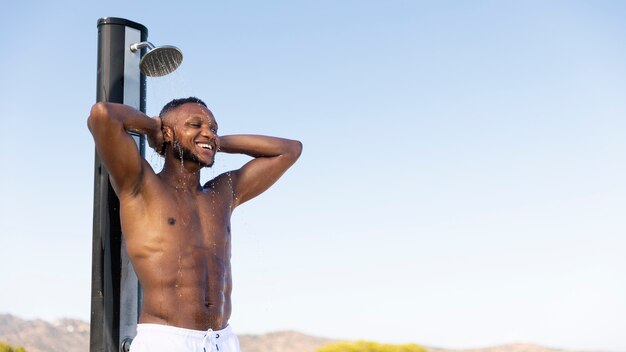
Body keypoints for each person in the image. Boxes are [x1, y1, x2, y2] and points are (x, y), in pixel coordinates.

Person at [87, 97, 302, 352]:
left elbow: (289, 150)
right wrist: (154, 127)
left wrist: (212, 143)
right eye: (195, 124)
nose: (208, 132)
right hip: (166, 340)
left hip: (222, 340)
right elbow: (103, 115)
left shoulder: (222, 193)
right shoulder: (142, 185)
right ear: (168, 133)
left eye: (213, 128)